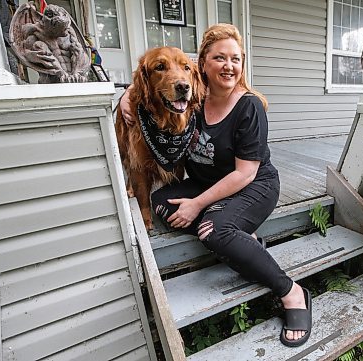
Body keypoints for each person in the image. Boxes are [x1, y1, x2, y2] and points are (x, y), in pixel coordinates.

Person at [121, 23, 312, 347]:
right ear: (203, 64)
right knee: (162, 203)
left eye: (236, 59)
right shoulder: (194, 95)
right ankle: (240, 237)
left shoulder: (249, 106)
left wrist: (197, 204)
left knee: (214, 229)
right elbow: (153, 81)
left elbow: (244, 174)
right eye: (220, 58)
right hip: (207, 183)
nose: (229, 66)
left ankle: (292, 293)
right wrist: (127, 94)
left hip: (254, 185)